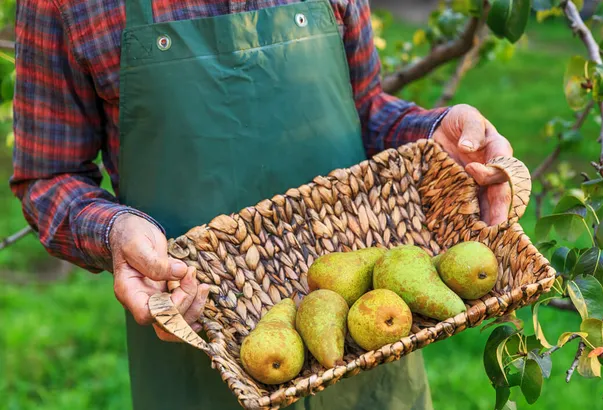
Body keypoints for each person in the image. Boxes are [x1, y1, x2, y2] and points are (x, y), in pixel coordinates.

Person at [11, 0, 514, 409]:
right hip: (200, 336)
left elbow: (364, 109)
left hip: (369, 335)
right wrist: (116, 232)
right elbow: (48, 176)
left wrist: (433, 137)